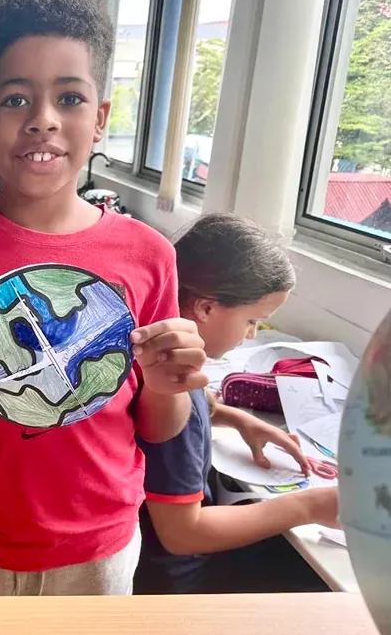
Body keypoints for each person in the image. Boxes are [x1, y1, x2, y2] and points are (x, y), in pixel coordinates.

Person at [0, 0, 207, 596]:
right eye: (15, 99)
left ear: (101, 119)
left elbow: (158, 426)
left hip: (97, 547)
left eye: (69, 98)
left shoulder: (149, 256)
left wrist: (171, 384)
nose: (42, 121)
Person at [134, 213, 339, 594]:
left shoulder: (159, 357)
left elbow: (195, 404)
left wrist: (238, 419)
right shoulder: (173, 392)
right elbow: (182, 534)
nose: (252, 334)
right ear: (206, 309)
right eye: (252, 320)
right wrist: (311, 506)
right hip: (178, 583)